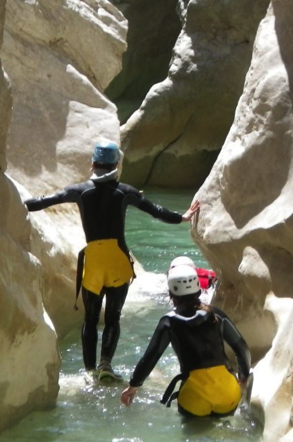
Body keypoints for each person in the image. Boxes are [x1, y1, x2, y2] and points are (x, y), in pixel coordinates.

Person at [24, 141, 200, 381]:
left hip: (94, 263)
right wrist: (182, 217)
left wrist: (21, 203)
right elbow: (155, 210)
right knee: (113, 318)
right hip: (118, 262)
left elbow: (46, 201)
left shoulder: (79, 190)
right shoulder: (125, 191)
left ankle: (89, 371)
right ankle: (106, 364)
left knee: (89, 319)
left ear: (93, 164)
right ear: (116, 165)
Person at [120, 264, 251, 417]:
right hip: (229, 395)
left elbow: (150, 357)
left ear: (170, 294)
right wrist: (243, 375)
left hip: (194, 399)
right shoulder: (216, 314)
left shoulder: (168, 322)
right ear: (198, 289)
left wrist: (133, 386)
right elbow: (242, 349)